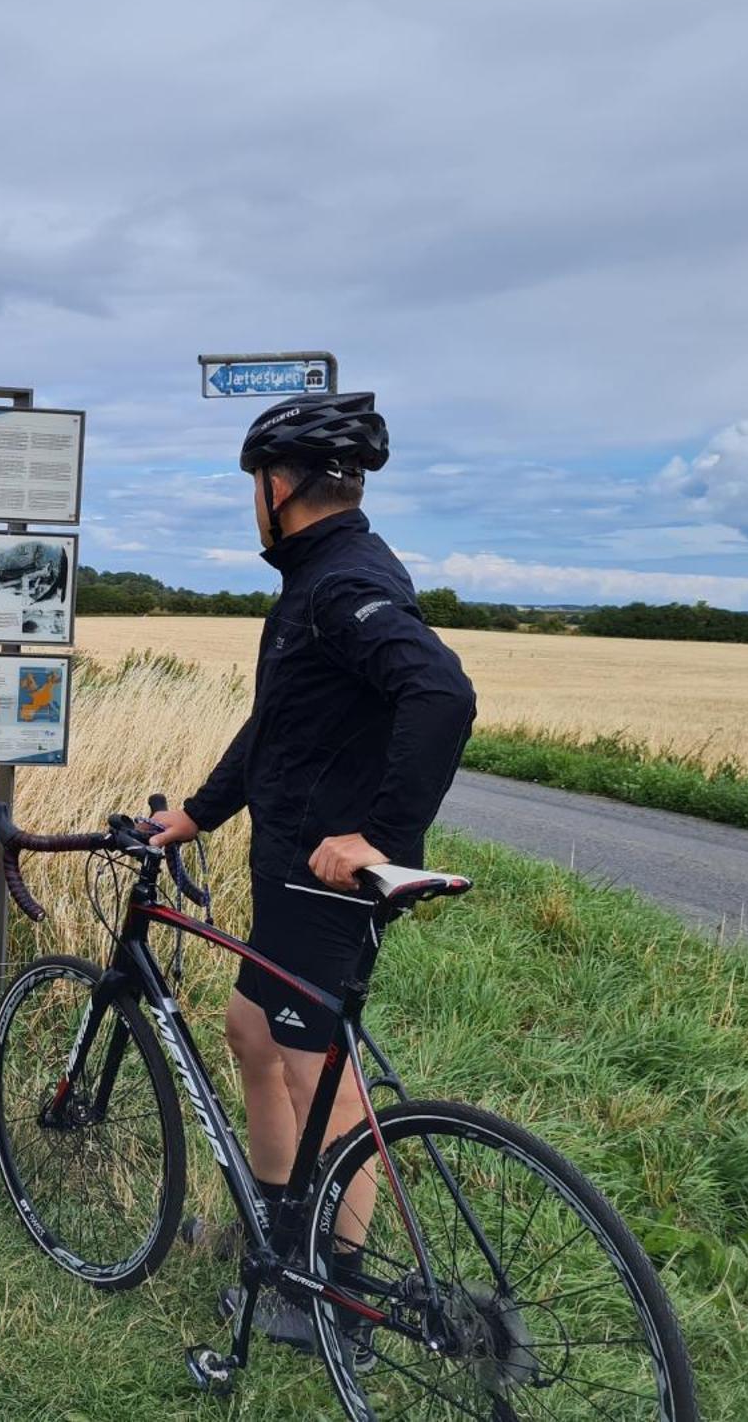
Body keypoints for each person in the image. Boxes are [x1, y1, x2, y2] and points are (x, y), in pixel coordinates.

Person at [146, 391, 476, 1348]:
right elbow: (281, 724)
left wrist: (382, 836)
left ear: (277, 487)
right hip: (289, 868)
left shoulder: (342, 583)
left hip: (327, 882)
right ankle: (281, 1227)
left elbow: (441, 693)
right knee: (253, 1031)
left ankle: (336, 1295)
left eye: (254, 485)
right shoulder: (317, 580)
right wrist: (198, 815)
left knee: (316, 1075)